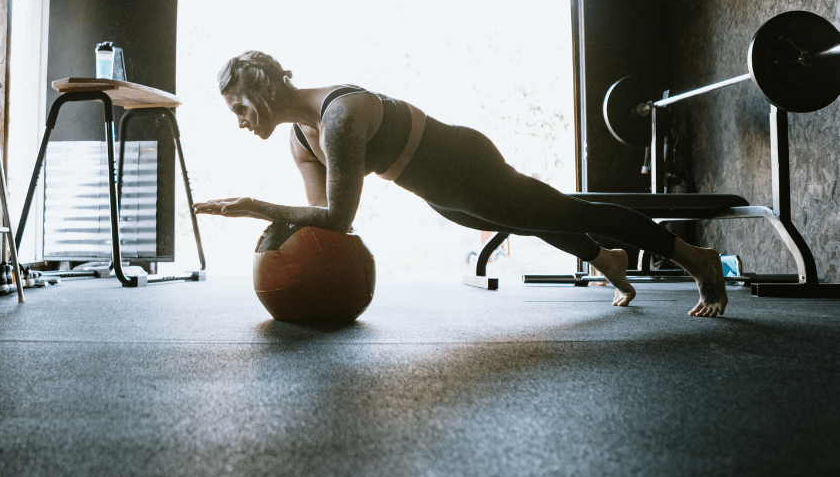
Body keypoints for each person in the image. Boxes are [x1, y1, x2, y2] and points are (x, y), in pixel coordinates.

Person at [194, 51, 727, 317]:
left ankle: (692, 256)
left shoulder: (339, 117)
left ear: (264, 88)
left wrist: (258, 207)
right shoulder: (300, 141)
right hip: (436, 191)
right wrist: (279, 217)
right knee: (530, 217)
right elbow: (326, 222)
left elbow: (336, 217)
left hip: (463, 163)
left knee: (562, 211)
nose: (240, 119)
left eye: (240, 106)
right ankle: (604, 258)